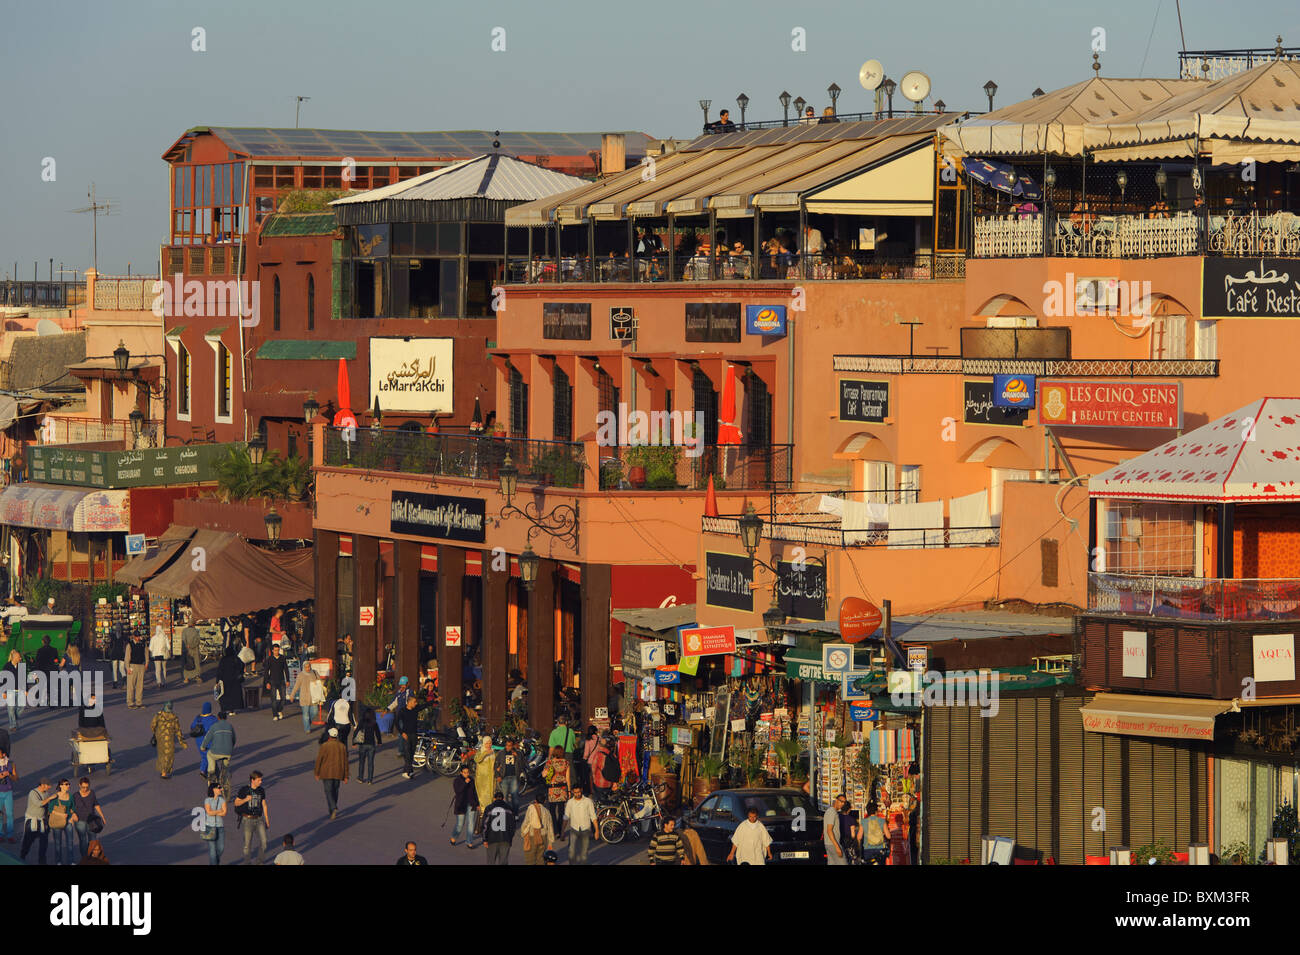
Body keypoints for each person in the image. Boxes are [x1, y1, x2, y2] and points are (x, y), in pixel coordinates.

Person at [235, 770, 270, 865]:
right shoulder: (244, 790)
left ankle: (259, 862)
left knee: (264, 842)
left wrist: (267, 819)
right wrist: (246, 799)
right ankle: (247, 863)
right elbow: (236, 802)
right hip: (247, 820)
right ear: (252, 780)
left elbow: (264, 805)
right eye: (259, 780)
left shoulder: (261, 790)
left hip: (259, 819)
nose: (261, 782)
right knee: (247, 845)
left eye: (261, 780)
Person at [314, 727, 349, 820]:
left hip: (326, 772)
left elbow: (319, 761)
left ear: (329, 736)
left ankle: (333, 807)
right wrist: (346, 776)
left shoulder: (324, 746)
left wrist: (316, 773)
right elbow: (345, 761)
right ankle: (332, 808)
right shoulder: (342, 746)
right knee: (335, 791)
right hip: (338, 772)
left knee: (328, 791)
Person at [20, 777, 55, 864]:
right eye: (48, 785)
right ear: (42, 785)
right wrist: (50, 798)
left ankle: (42, 862)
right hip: (32, 821)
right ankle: (21, 858)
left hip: (42, 821)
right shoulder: (33, 793)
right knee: (27, 843)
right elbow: (39, 804)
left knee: (44, 844)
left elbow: (47, 808)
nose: (49, 787)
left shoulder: (46, 793)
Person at [149, 700, 187, 779]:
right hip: (170, 739)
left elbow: (152, 726)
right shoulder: (174, 717)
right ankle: (165, 771)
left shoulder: (158, 715)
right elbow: (178, 730)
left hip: (160, 738)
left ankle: (163, 771)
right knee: (169, 755)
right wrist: (182, 741)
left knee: (162, 754)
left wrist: (156, 733)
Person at [562, 785, 597, 865]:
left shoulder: (588, 801)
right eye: (575, 792)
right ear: (572, 792)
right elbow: (566, 817)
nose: (577, 794)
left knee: (584, 852)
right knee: (571, 851)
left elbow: (593, 816)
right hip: (574, 829)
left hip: (586, 829)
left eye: (579, 792)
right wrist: (562, 831)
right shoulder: (570, 803)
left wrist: (597, 830)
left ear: (581, 790)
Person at [70, 777, 104, 857]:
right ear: (79, 785)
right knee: (83, 840)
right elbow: (70, 808)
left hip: (91, 821)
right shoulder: (75, 795)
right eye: (83, 787)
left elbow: (96, 804)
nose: (85, 789)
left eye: (87, 787)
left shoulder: (92, 793)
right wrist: (73, 814)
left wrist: (102, 816)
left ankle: (92, 857)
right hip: (80, 821)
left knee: (93, 840)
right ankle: (85, 858)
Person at [519, 791, 554, 865]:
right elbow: (550, 828)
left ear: (535, 800)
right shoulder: (547, 812)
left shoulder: (531, 808)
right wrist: (550, 843)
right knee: (540, 859)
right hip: (543, 837)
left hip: (532, 836)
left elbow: (526, 822)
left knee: (530, 859)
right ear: (544, 801)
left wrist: (523, 833)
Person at [201, 710, 236, 783]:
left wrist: (203, 747)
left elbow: (207, 738)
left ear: (218, 718)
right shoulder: (230, 726)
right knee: (225, 764)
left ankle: (211, 772)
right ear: (226, 718)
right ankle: (225, 773)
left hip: (216, 752)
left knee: (209, 755)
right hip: (228, 752)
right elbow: (234, 739)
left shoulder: (214, 726)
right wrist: (230, 747)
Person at [482, 789, 515, 865]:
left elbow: (485, 825)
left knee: (491, 861)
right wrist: (510, 839)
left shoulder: (489, 808)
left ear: (494, 798)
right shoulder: (509, 809)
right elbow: (512, 826)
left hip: (492, 839)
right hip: (505, 839)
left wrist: (484, 839)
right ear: (503, 799)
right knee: (503, 862)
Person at [450, 764, 480, 848]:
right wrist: (464, 783)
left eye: (467, 772)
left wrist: (477, 804)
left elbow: (475, 793)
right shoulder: (457, 780)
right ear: (461, 773)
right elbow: (458, 791)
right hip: (461, 804)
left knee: (471, 824)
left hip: (471, 804)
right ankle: (454, 837)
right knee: (460, 824)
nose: (466, 774)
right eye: (464, 772)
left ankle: (469, 842)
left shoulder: (471, 780)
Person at [543, 745, 571, 834]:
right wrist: (569, 791)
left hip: (552, 789)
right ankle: (560, 829)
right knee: (561, 810)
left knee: (552, 810)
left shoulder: (550, 762)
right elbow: (568, 778)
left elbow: (544, 775)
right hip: (562, 789)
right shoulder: (566, 763)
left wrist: (544, 772)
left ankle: (554, 829)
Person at [290, 662, 324, 733]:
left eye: (308, 667)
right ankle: (307, 729)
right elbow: (296, 686)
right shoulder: (301, 675)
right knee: (306, 715)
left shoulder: (314, 673)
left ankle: (307, 722)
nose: (307, 668)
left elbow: (320, 682)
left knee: (315, 712)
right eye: (306, 667)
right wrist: (292, 695)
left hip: (314, 698)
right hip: (304, 698)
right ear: (303, 667)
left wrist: (318, 682)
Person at [397, 693, 424, 779]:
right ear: (409, 702)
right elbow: (396, 722)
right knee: (407, 753)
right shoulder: (402, 711)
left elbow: (425, 705)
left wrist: (435, 700)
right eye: (414, 702)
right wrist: (402, 733)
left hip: (414, 734)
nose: (416, 703)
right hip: (406, 734)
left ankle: (408, 771)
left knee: (412, 753)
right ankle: (407, 771)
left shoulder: (415, 709)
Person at [48, 778, 75, 864]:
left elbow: (72, 808)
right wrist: (62, 815)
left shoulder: (70, 796)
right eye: (66, 784)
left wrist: (71, 818)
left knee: (70, 842)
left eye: (68, 784)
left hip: (68, 822)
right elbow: (50, 810)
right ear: (61, 786)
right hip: (57, 821)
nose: (68, 786)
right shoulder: (55, 796)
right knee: (57, 843)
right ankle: (58, 861)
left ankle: (71, 861)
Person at [354, 706, 382, 784]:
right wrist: (379, 741)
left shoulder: (362, 722)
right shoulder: (374, 723)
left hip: (363, 744)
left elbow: (356, 731)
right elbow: (377, 733)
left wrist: (354, 742)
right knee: (370, 763)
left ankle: (360, 777)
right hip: (371, 744)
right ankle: (370, 780)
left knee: (361, 762)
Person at [190, 701, 218, 777]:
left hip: (198, 740)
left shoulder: (198, 717)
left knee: (204, 755)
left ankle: (203, 770)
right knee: (208, 755)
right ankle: (207, 772)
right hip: (208, 740)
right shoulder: (213, 719)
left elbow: (192, 726)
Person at [203, 781, 227, 865]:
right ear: (214, 789)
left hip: (220, 827)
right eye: (219, 788)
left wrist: (214, 812)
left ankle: (215, 862)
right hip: (209, 827)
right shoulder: (207, 800)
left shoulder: (222, 800)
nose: (221, 789)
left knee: (221, 848)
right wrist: (219, 811)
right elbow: (209, 812)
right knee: (212, 850)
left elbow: (224, 813)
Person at [215, 644, 244, 714]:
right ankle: (232, 710)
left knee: (224, 696)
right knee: (233, 696)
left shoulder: (223, 660)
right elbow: (242, 666)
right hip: (234, 681)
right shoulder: (236, 659)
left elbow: (219, 671)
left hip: (225, 681)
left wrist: (217, 681)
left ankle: (224, 709)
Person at [264, 644, 290, 722]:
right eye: (275, 650)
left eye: (278, 650)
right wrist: (267, 682)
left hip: (281, 680)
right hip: (272, 681)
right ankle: (275, 715)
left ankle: (279, 710)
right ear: (272, 651)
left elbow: (286, 669)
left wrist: (288, 680)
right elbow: (266, 671)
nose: (276, 652)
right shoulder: (269, 659)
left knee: (283, 698)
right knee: (273, 699)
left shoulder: (282, 658)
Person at [824, 793, 846, 864]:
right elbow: (829, 830)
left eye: (844, 802)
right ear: (836, 800)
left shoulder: (829, 811)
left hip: (828, 843)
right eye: (841, 801)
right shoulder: (832, 812)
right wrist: (837, 846)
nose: (842, 804)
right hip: (833, 843)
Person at [473, 734, 495, 804]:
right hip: (482, 778)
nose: (488, 745)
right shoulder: (480, 751)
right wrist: (485, 753)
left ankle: (489, 810)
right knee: (482, 795)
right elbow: (476, 760)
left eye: (490, 743)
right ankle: (483, 811)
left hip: (491, 777)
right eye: (487, 743)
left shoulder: (493, 752)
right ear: (483, 743)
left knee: (491, 794)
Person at [0, 745, 15, 844]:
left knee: (10, 814)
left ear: (4, 754)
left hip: (8, 792)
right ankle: (0, 834)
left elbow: (16, 778)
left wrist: (9, 774)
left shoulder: (11, 764)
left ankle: (10, 835)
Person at [180, 614, 201, 685]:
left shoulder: (184, 631)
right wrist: (192, 645)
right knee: (196, 663)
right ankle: (197, 676)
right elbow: (198, 640)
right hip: (195, 649)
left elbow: (183, 640)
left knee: (186, 663)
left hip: (187, 650)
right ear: (194, 624)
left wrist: (187, 646)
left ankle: (186, 678)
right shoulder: (196, 631)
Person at [107, 626, 126, 690]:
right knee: (121, 668)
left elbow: (111, 645)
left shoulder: (113, 636)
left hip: (114, 654)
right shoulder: (123, 636)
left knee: (114, 669)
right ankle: (124, 678)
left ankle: (115, 682)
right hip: (121, 654)